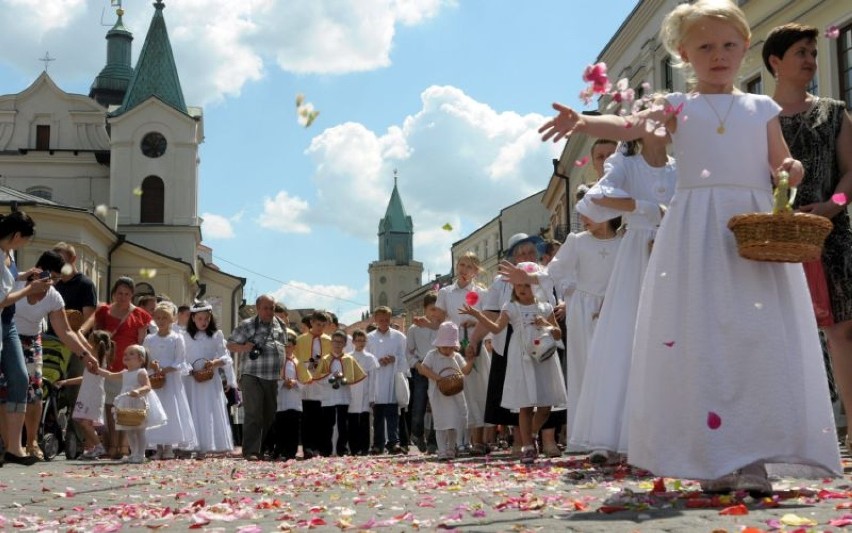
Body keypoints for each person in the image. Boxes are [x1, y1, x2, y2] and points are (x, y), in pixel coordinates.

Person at [539, 0, 840, 492]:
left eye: (728, 45)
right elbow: (629, 127)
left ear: (745, 48)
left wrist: (791, 172)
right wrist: (586, 123)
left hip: (752, 230)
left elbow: (781, 162)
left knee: (755, 337)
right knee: (705, 339)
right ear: (684, 54)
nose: (718, 54)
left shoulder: (761, 107)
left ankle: (755, 458)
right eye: (705, 46)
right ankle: (714, 457)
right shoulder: (677, 107)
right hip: (698, 230)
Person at [762, 23, 852, 450]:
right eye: (801, 52)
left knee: (843, 331)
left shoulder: (834, 111)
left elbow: (850, 173)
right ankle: (785, 435)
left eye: (814, 52)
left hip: (830, 235)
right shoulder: (757, 116)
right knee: (774, 334)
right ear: (775, 62)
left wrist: (834, 204)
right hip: (773, 239)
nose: (812, 60)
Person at [569, 129, 677, 463]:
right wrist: (648, 209)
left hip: (674, 247)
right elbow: (596, 198)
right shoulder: (626, 164)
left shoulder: (681, 165)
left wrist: (666, 217)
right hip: (638, 252)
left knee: (673, 336)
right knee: (626, 337)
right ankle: (617, 433)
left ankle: (673, 430)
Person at [462, 272, 568, 464]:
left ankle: (533, 434)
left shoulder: (545, 307)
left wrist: (548, 326)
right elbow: (495, 329)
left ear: (534, 287)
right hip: (521, 356)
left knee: (546, 406)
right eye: (518, 286)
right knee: (525, 404)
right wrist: (477, 314)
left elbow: (558, 334)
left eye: (526, 285)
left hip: (543, 357)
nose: (521, 289)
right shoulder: (510, 306)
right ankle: (527, 445)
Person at [545, 201, 622, 454]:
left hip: (615, 309)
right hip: (584, 313)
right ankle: (590, 436)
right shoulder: (577, 241)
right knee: (586, 371)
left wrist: (613, 304)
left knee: (615, 372)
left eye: (589, 211)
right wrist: (531, 277)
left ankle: (616, 435)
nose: (582, 217)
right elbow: (554, 271)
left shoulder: (624, 242)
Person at [467, 233, 552, 457]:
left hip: (541, 339)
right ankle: (520, 440)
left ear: (537, 253)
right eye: (521, 253)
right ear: (513, 257)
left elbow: (554, 303)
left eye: (530, 252)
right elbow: (491, 313)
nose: (526, 256)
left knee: (545, 393)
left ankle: (545, 439)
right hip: (510, 340)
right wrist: (474, 339)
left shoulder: (545, 275)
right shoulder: (500, 282)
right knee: (518, 395)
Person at [14, 251, 95, 460]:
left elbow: (65, 331)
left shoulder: (53, 296)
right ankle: (10, 443)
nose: (55, 283)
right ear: (39, 270)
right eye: (54, 278)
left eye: (58, 279)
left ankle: (32, 441)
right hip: (7, 338)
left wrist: (84, 354)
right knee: (7, 392)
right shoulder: (16, 283)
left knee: (35, 392)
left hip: (32, 341)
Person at [0, 211, 58, 465]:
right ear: (15, 235)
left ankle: (15, 447)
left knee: (21, 379)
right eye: (24, 239)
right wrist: (29, 289)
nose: (24, 244)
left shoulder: (8, 253)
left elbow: (7, 282)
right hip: (2, 316)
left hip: (7, 321)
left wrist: (23, 276)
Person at [81, 276, 151, 459]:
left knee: (128, 409)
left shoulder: (140, 315)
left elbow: (142, 343)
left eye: (127, 294)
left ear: (132, 295)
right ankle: (111, 445)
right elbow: (96, 335)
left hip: (130, 368)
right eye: (119, 293)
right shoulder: (103, 311)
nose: (123, 297)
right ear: (114, 293)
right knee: (110, 407)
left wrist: (142, 365)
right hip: (109, 364)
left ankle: (124, 447)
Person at [433, 252, 489, 455]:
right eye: (461, 265)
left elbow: (488, 320)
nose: (464, 270)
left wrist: (475, 322)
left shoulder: (482, 293)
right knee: (456, 394)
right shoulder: (446, 293)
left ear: (476, 271)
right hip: (454, 350)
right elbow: (439, 321)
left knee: (477, 393)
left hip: (475, 347)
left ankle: (478, 441)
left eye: (469, 266)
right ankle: (456, 443)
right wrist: (429, 322)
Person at [227, 294, 287, 461]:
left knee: (269, 414)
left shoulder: (280, 324)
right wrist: (244, 347)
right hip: (251, 374)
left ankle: (262, 448)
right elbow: (230, 344)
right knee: (254, 413)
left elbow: (284, 346)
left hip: (272, 376)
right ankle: (251, 451)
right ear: (258, 308)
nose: (269, 311)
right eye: (266, 308)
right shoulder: (247, 325)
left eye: (272, 308)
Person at [48, 242, 98, 429]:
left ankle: (76, 435)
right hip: (53, 341)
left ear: (73, 259)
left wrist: (80, 332)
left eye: (62, 259)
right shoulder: (54, 284)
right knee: (53, 384)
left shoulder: (85, 284)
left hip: (76, 343)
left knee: (75, 390)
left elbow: (90, 316)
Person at [96, 344, 167, 463]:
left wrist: (138, 390)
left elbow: (148, 387)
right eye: (125, 354)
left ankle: (141, 453)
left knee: (140, 430)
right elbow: (110, 375)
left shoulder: (141, 372)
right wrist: (97, 369)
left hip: (139, 403)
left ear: (141, 359)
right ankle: (133, 452)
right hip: (127, 404)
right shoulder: (125, 372)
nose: (126, 356)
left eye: (131, 353)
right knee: (129, 430)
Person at [415, 322, 475, 461]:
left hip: (455, 394)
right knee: (441, 423)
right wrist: (439, 379)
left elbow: (465, 371)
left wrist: (471, 361)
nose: (448, 350)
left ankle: (451, 448)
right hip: (438, 395)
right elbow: (424, 369)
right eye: (444, 347)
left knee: (454, 421)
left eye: (450, 347)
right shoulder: (432, 355)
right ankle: (441, 449)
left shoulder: (457, 357)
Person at [144, 303, 197, 459]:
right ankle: (158, 447)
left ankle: (169, 447)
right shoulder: (149, 338)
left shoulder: (176, 338)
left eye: (165, 318)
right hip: (154, 379)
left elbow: (180, 360)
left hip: (171, 380)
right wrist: (151, 365)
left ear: (172, 319)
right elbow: (145, 358)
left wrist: (166, 370)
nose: (161, 321)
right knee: (156, 409)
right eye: (158, 318)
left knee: (170, 410)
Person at [183, 302, 235, 458]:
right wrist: (189, 369)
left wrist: (214, 363)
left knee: (207, 411)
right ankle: (188, 445)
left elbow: (226, 357)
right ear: (193, 318)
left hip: (210, 380)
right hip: (191, 380)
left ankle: (203, 447)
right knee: (192, 410)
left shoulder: (216, 335)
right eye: (200, 318)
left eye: (206, 318)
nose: (203, 322)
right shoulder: (185, 336)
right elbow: (181, 357)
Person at [56, 330, 112, 459]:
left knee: (86, 423)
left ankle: (98, 447)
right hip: (88, 394)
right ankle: (92, 447)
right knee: (86, 422)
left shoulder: (97, 361)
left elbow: (83, 344)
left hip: (92, 395)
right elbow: (85, 378)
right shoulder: (96, 361)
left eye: (90, 341)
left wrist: (78, 331)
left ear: (95, 345)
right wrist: (66, 382)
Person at [313, 330, 366, 456]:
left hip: (343, 396)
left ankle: (342, 449)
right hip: (328, 397)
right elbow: (318, 378)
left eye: (340, 342)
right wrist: (331, 376)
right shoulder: (326, 359)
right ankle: (326, 450)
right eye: (335, 341)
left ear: (344, 344)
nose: (337, 344)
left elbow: (354, 377)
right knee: (327, 424)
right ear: (331, 343)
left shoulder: (349, 359)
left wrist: (344, 378)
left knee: (343, 425)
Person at [366, 306, 408, 455]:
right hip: (376, 380)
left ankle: (393, 442)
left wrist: (394, 359)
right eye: (381, 320)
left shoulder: (399, 337)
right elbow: (366, 359)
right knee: (378, 414)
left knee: (392, 413)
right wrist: (377, 361)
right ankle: (378, 443)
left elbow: (405, 357)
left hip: (392, 378)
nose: (384, 322)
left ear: (390, 319)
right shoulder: (369, 338)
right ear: (375, 320)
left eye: (386, 319)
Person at [294, 310, 332, 459]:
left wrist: (319, 367)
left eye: (323, 325)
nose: (320, 328)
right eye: (318, 324)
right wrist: (308, 369)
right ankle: (308, 448)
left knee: (322, 418)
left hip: (323, 382)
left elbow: (330, 359)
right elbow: (296, 359)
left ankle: (322, 448)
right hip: (307, 383)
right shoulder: (301, 340)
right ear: (311, 323)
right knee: (308, 417)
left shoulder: (328, 340)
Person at [406, 292, 439, 453]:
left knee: (437, 407)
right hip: (421, 370)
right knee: (419, 404)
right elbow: (409, 352)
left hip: (438, 370)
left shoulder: (442, 326)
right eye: (432, 309)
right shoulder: (414, 328)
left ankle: (433, 440)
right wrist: (416, 365)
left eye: (437, 309)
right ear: (425, 309)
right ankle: (417, 433)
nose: (435, 313)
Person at [273, 330, 308, 461]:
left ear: (294, 347)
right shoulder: (277, 362)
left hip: (294, 400)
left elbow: (305, 380)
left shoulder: (298, 362)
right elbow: (273, 379)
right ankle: (280, 450)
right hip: (281, 399)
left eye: (289, 345)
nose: (287, 348)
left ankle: (290, 452)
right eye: (284, 346)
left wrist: (295, 383)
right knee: (280, 426)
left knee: (293, 427)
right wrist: (282, 382)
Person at [348, 329, 379, 456]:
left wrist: (372, 396)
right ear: (353, 342)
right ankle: (353, 448)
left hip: (366, 393)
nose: (360, 343)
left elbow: (374, 379)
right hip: (352, 393)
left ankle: (365, 447)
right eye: (358, 340)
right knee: (352, 421)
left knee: (365, 422)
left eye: (363, 341)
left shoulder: (370, 358)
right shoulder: (348, 357)